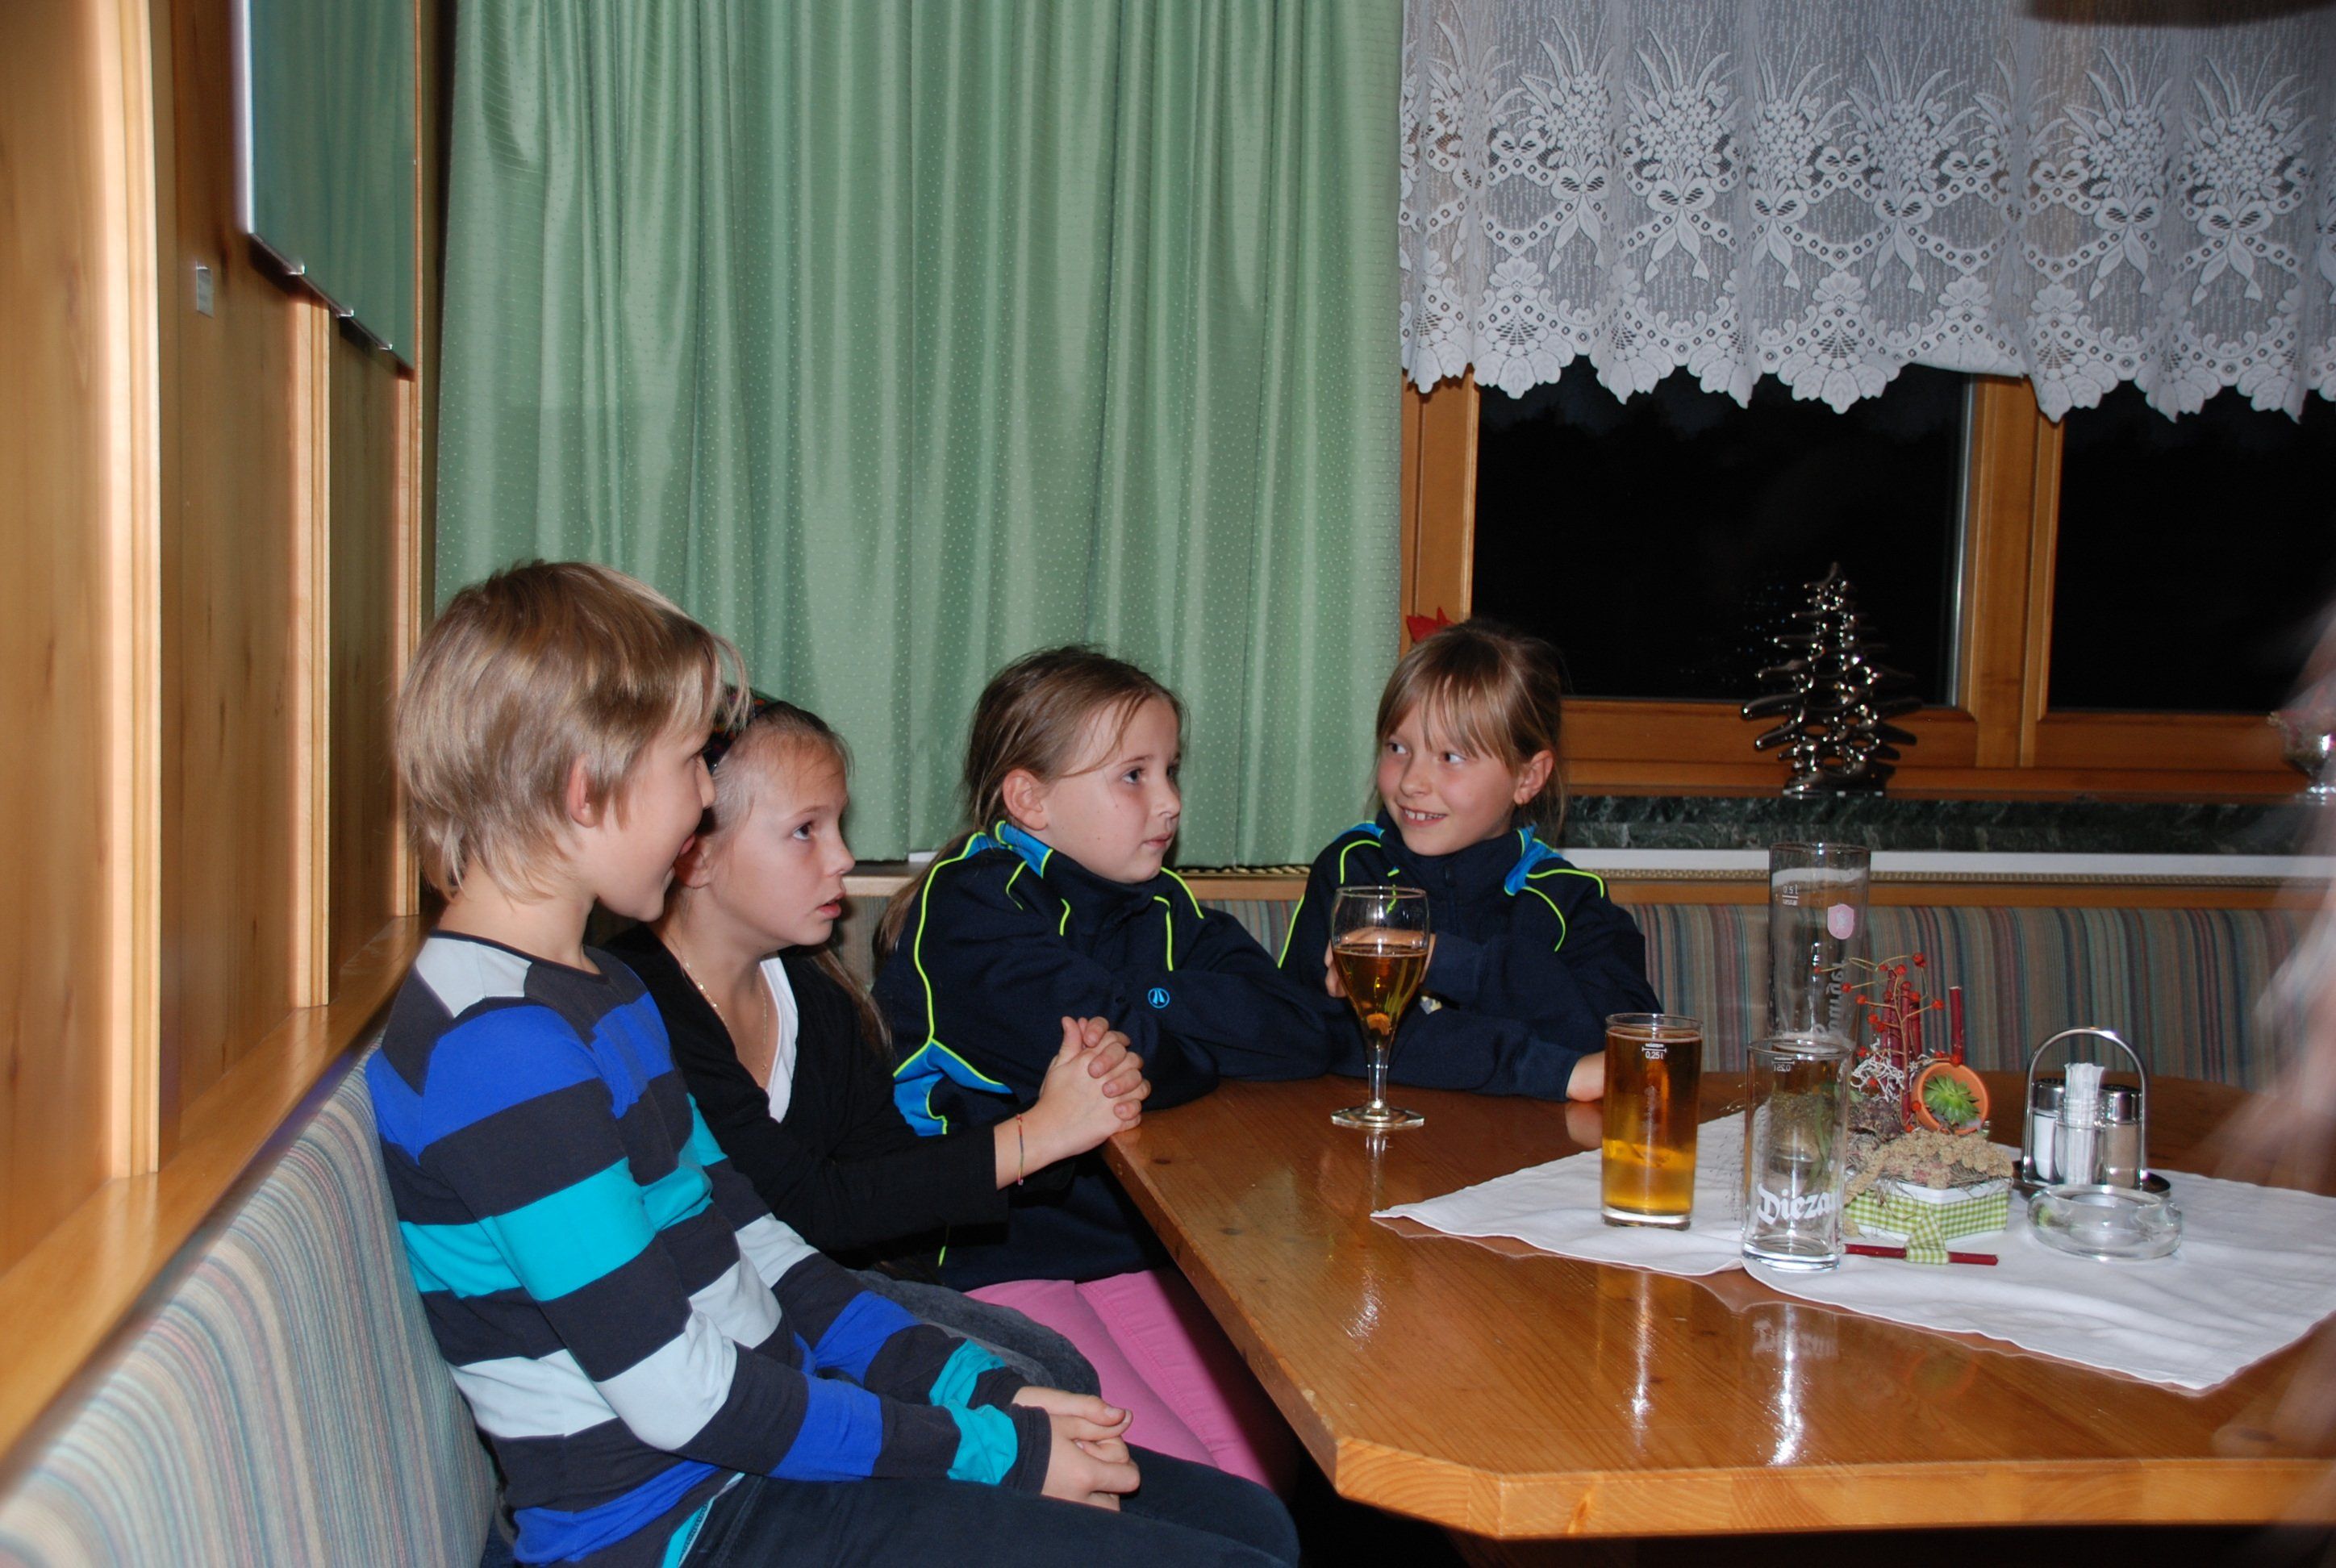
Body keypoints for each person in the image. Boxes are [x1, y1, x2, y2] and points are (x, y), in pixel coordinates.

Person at [367, 562, 1299, 1568]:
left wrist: (984, 1392)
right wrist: (991, 1450)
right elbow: (681, 1396)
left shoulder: (607, 990)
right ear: (585, 787)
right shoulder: (497, 1050)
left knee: (1252, 1525)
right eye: (690, 763)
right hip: (678, 1526)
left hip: (764, 1458)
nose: (704, 797)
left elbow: (763, 1252)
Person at [871, 646, 1335, 1488]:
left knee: (1268, 1477)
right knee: (1166, 1488)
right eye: (1133, 776)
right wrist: (1181, 1034)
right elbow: (1126, 1063)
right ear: (1030, 799)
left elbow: (1304, 1031)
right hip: (995, 1261)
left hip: (1139, 1250)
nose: (1171, 801)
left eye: (1170, 770)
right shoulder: (969, 904)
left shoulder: (1162, 903)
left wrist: (1144, 1002)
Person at [611, 694, 1152, 1395]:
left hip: (827, 1297)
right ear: (696, 851)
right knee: (1037, 1394)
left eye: (837, 825)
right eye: (805, 831)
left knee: (1060, 1370)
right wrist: (1037, 1136)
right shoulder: (637, 1004)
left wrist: (1066, 1112)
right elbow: (807, 1206)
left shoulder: (813, 991)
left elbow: (887, 1173)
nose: (842, 856)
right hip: (715, 1336)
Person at [1282, 618, 1660, 1102]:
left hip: (1529, 1147)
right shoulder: (1352, 872)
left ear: (1528, 778)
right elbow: (1322, 1035)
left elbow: (1631, 1053)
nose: (1411, 781)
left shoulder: (1568, 899)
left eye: (1451, 756)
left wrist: (1446, 962)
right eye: (1398, 748)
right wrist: (1552, 1071)